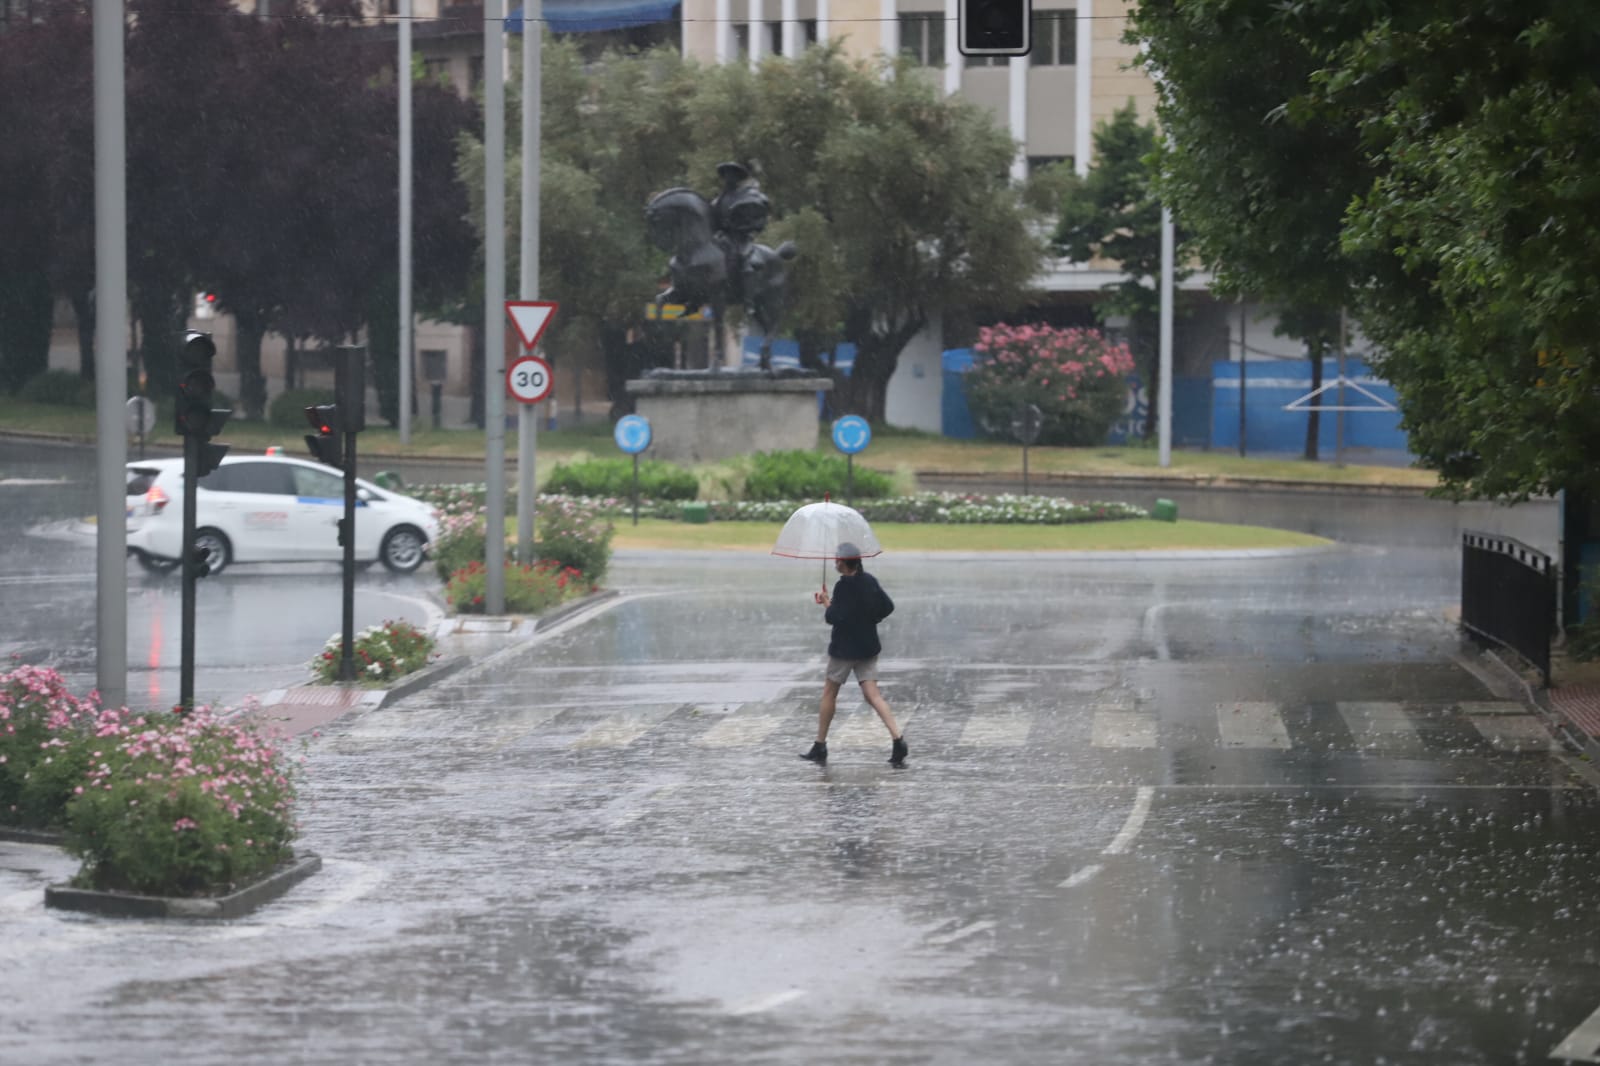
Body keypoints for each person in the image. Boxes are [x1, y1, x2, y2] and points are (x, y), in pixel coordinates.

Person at [800, 543, 907, 767]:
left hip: (844, 650)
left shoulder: (843, 587)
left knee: (829, 693)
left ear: (843, 562)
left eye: (837, 559)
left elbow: (835, 618)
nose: (835, 562)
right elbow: (887, 607)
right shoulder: (869, 581)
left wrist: (827, 603)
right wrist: (869, 620)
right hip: (868, 647)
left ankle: (820, 745)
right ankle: (898, 739)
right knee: (873, 694)